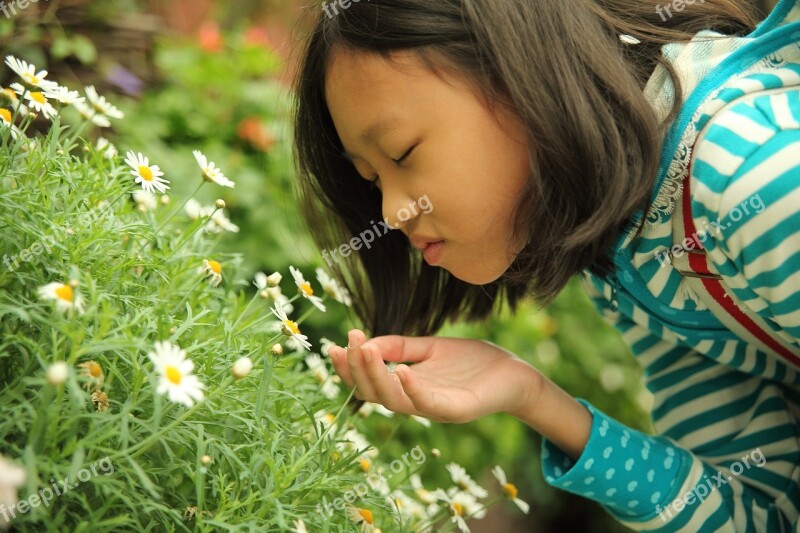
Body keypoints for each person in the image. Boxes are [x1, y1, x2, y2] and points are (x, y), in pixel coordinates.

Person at [291, 0, 800, 530]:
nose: (392, 213)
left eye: (401, 154)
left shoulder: (752, 180)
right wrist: (532, 397)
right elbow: (760, 513)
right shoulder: (633, 252)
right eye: (372, 180)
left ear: (521, 72)